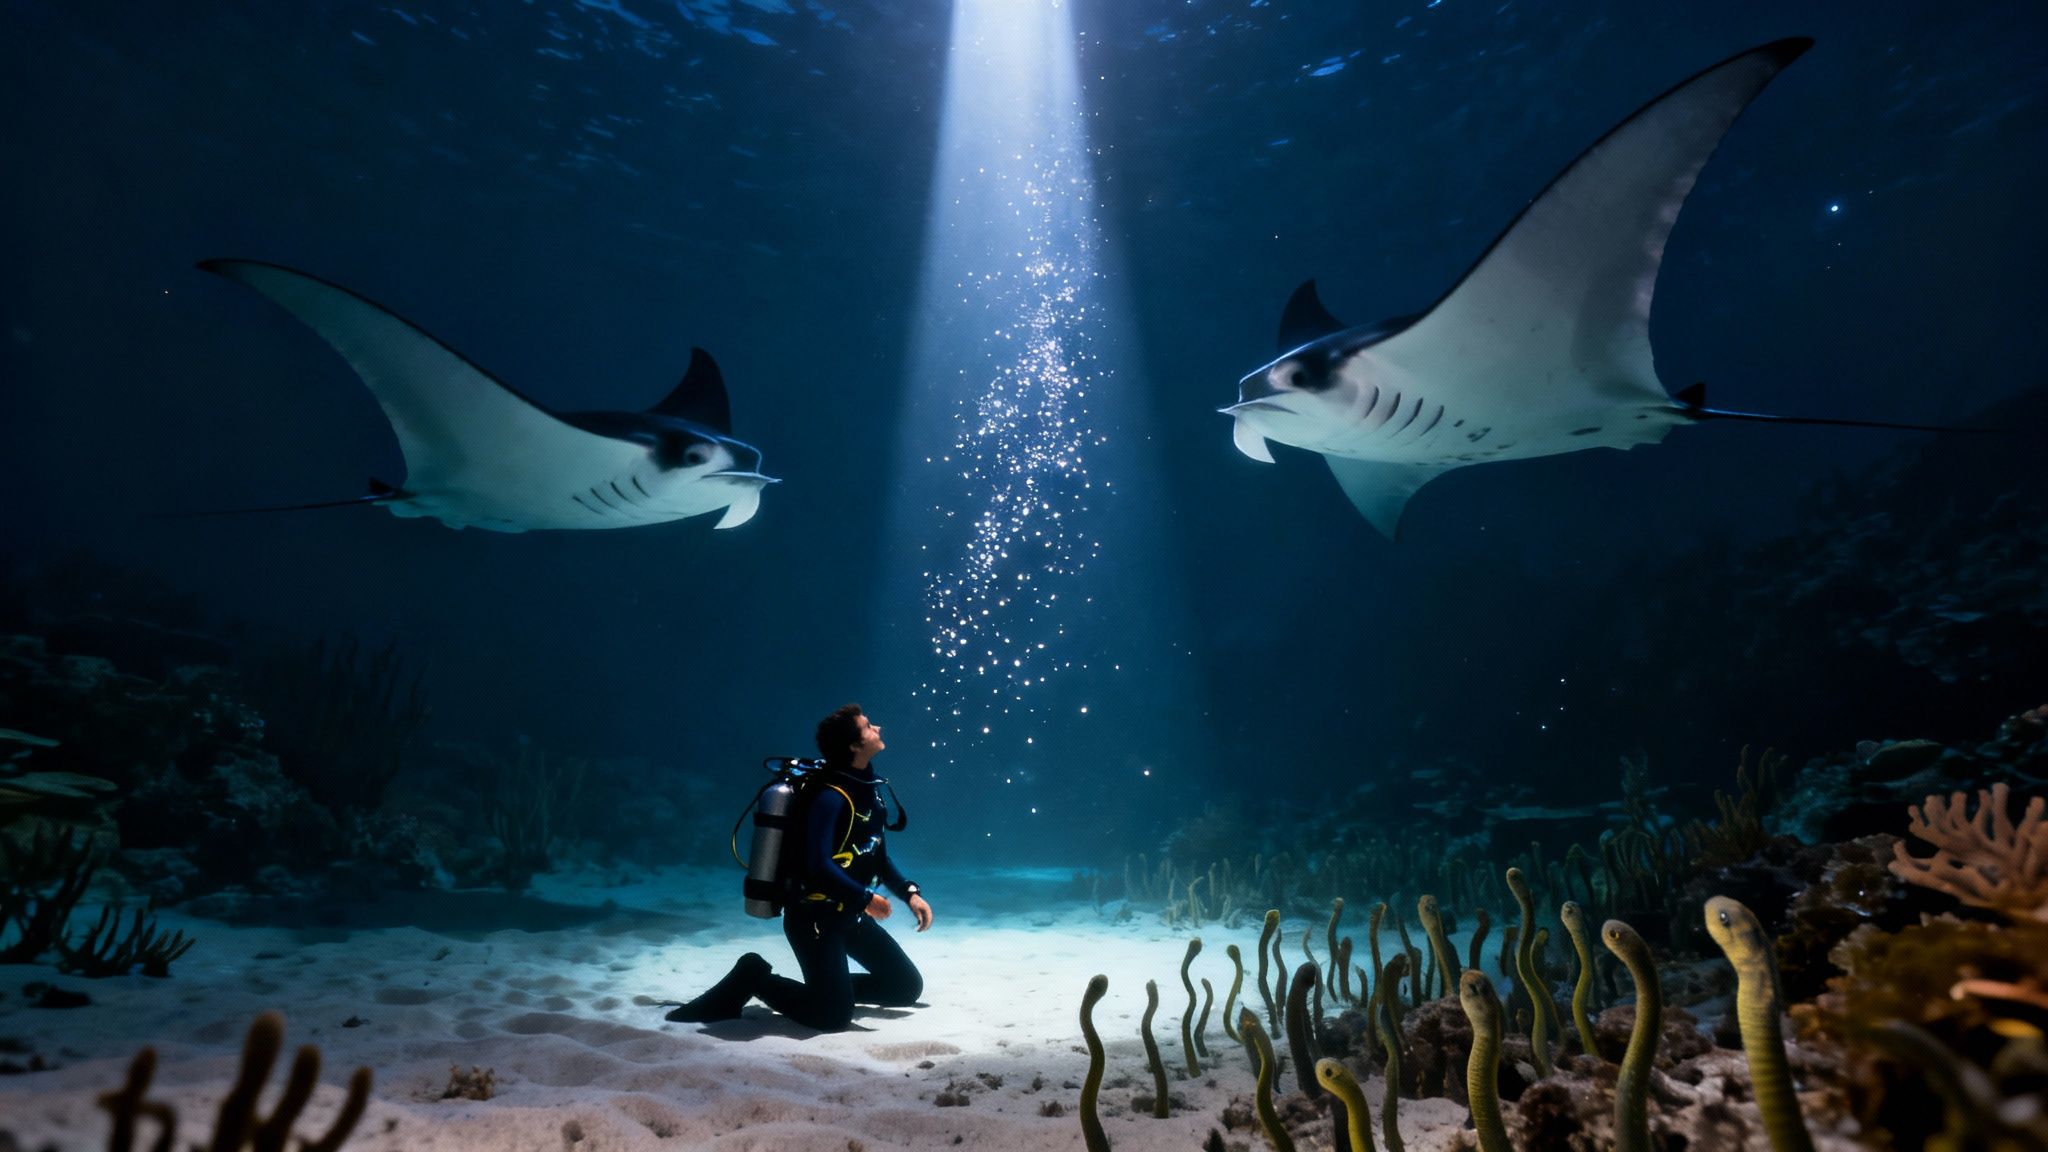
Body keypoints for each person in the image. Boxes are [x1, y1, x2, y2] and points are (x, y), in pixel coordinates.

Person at [665, 704, 934, 1031]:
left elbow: (877, 855)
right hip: (815, 920)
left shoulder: (869, 790)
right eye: (867, 727)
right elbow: (816, 866)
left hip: (849, 916)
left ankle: (831, 993)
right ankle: (755, 978)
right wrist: (864, 898)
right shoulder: (829, 797)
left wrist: (910, 894)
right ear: (853, 746)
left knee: (904, 987)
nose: (877, 727)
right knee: (832, 1018)